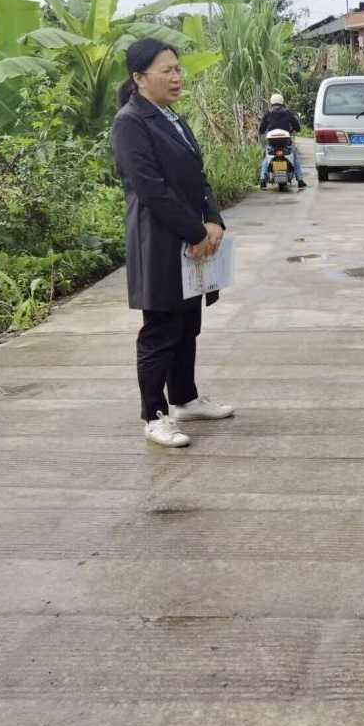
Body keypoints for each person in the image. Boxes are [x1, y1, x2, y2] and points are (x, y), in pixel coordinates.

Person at [111, 37, 236, 448]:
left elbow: (198, 179)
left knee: (187, 325)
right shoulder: (131, 122)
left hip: (191, 240)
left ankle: (185, 398)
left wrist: (213, 219)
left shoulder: (172, 118)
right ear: (140, 78)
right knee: (161, 329)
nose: (177, 77)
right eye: (167, 70)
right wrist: (196, 232)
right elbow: (150, 189)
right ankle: (155, 414)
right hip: (160, 242)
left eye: (178, 69)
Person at [258, 93, 305, 188]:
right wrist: (297, 129)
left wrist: (261, 131)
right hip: (285, 144)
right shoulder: (287, 112)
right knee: (295, 157)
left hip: (272, 145)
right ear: (282, 101)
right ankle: (300, 179)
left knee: (267, 157)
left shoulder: (268, 113)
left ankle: (263, 179)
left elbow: (262, 128)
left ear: (272, 102)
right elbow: (296, 125)